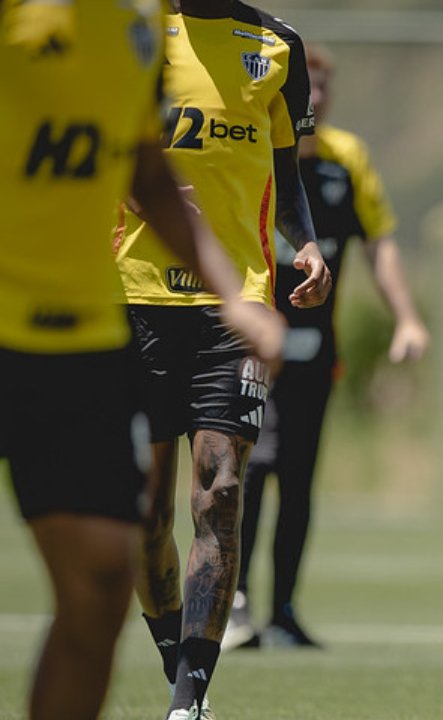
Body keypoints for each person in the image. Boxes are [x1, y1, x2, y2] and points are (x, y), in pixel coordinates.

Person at [0, 1, 287, 718]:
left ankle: (187, 694)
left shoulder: (136, 26)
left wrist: (235, 297)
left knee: (101, 576)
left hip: (80, 337)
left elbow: (147, 172)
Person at [111, 1, 330, 718]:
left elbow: (283, 169)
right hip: (133, 299)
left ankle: (189, 701)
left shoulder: (277, 45)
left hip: (236, 302)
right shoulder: (128, 29)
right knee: (143, 513)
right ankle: (178, 662)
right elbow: (90, 145)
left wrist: (304, 239)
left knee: (221, 491)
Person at [224, 43, 430, 651]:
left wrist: (406, 319)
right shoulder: (251, 153)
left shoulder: (348, 160)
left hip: (317, 354)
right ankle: (233, 605)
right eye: (300, 89)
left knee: (297, 476)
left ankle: (283, 611)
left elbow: (380, 243)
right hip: (251, 349)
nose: (311, 99)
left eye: (320, 90)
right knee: (252, 468)